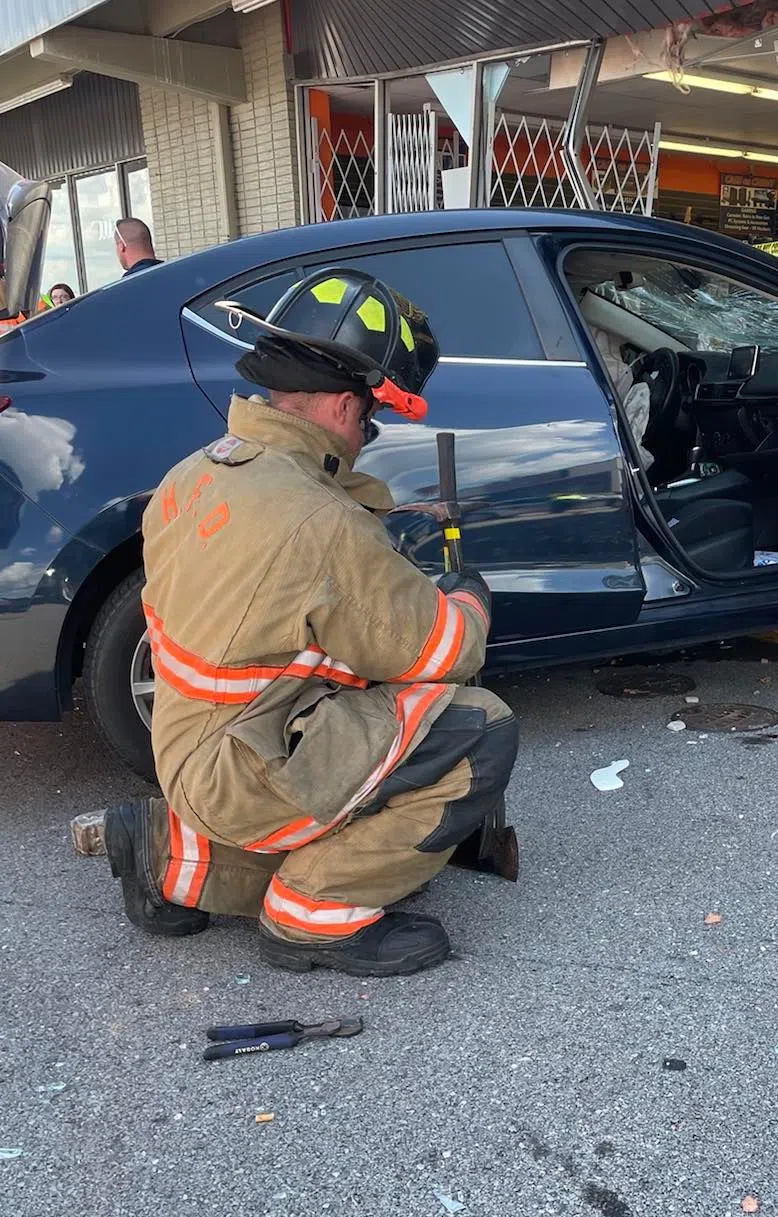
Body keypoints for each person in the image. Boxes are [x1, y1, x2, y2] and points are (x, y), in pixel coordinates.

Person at [99, 266, 519, 978]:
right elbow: (438, 649)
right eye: (371, 418)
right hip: (243, 770)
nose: (367, 436)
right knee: (478, 725)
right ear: (347, 406)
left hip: (191, 753)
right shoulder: (316, 517)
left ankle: (172, 856)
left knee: (362, 726)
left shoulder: (196, 473)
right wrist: (468, 597)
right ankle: (315, 915)